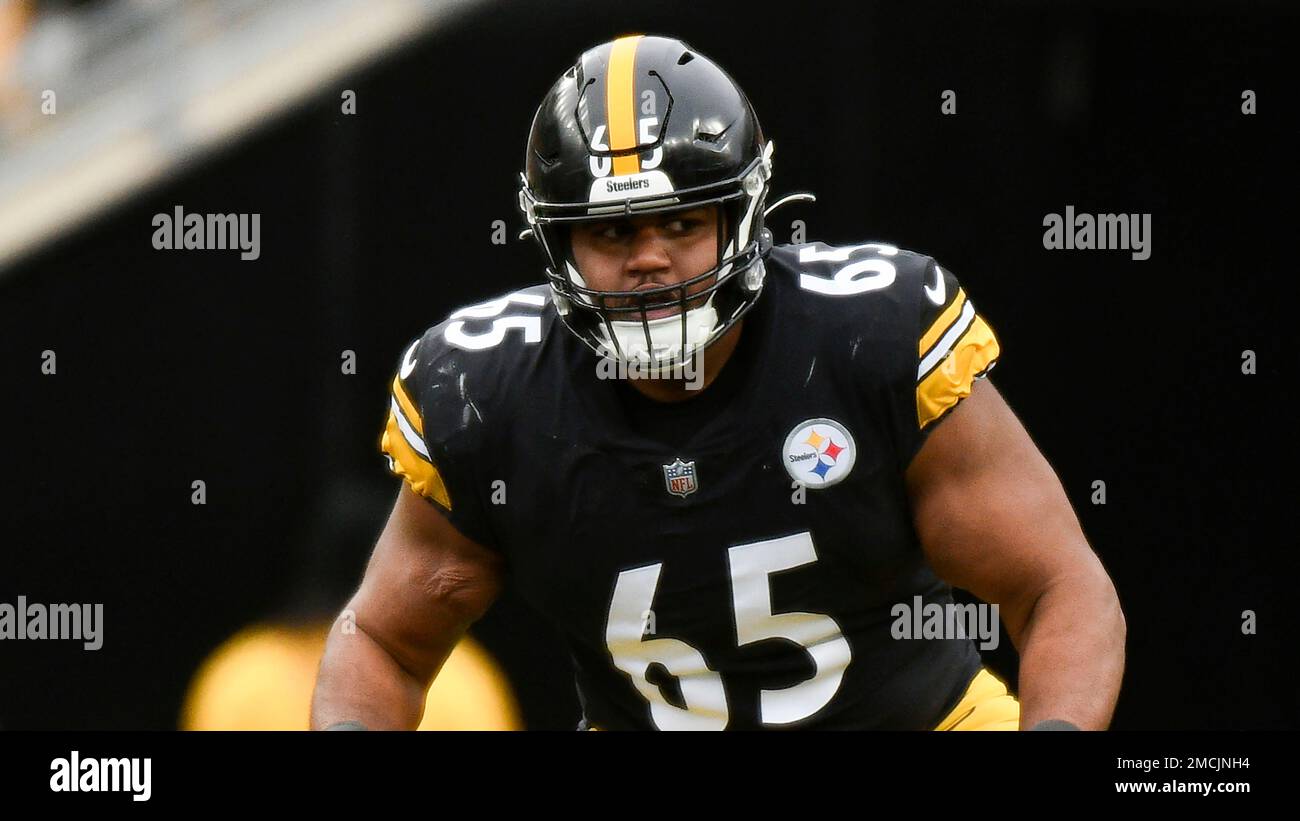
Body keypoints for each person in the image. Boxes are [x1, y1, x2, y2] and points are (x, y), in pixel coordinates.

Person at [311, 33, 1125, 731]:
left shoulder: (868, 339)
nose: (651, 258)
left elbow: (1059, 584)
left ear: (743, 216)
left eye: (683, 221)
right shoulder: (489, 394)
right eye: (613, 229)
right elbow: (383, 641)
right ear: (556, 243)